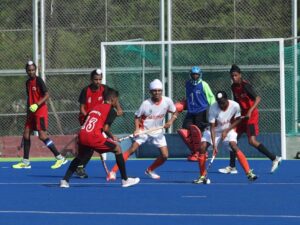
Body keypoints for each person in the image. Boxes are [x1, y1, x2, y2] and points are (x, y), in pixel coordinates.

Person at [60, 88, 139, 188]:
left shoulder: (95, 107)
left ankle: (65, 180)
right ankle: (125, 180)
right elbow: (106, 128)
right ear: (113, 99)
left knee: (80, 157)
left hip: (83, 134)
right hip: (93, 137)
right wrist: (112, 137)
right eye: (117, 100)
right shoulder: (111, 110)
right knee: (118, 149)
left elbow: (89, 123)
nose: (117, 102)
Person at [107, 79, 179, 181]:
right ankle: (113, 172)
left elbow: (176, 112)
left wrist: (171, 121)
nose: (157, 92)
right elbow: (137, 116)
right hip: (144, 131)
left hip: (158, 132)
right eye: (154, 90)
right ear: (150, 92)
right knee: (131, 150)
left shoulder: (167, 101)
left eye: (159, 90)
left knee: (165, 155)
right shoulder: (146, 104)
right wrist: (137, 129)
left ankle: (150, 170)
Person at [218, 64, 281, 174]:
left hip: (251, 116)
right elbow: (238, 102)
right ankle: (232, 166)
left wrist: (250, 111)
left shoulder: (246, 86)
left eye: (236, 75)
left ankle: (274, 158)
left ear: (240, 75)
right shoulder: (233, 87)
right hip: (242, 116)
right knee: (232, 138)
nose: (234, 78)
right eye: (232, 76)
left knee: (252, 141)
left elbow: (258, 98)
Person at [193, 91, 258, 184]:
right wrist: (215, 145)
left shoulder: (235, 105)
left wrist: (227, 130)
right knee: (202, 147)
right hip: (214, 130)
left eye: (223, 102)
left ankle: (249, 173)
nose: (221, 105)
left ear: (227, 99)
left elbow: (238, 119)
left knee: (234, 146)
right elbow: (212, 127)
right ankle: (202, 176)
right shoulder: (213, 108)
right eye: (219, 102)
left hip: (229, 129)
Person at [12, 61, 67, 169]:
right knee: (26, 134)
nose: (31, 72)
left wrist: (37, 105)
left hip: (40, 112)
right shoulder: (27, 83)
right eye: (29, 70)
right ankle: (26, 162)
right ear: (26, 71)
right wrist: (28, 112)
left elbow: (47, 95)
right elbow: (30, 98)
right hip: (31, 113)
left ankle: (60, 158)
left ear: (35, 70)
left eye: (33, 70)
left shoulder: (39, 81)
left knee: (42, 136)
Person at [75, 69, 123, 178]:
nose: (98, 82)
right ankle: (79, 167)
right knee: (89, 146)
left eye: (100, 79)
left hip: (99, 121)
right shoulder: (85, 90)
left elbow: (114, 98)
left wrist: (119, 108)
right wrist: (88, 118)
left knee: (89, 147)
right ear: (91, 79)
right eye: (96, 79)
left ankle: (78, 167)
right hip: (86, 120)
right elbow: (82, 108)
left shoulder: (105, 89)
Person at [177, 66, 215, 161]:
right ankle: (195, 151)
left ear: (200, 75)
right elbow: (189, 96)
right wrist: (183, 103)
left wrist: (214, 109)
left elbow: (211, 97)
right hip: (191, 111)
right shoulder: (187, 84)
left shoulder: (204, 84)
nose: (195, 76)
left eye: (196, 74)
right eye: (193, 74)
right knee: (185, 130)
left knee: (199, 132)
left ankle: (202, 152)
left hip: (201, 111)